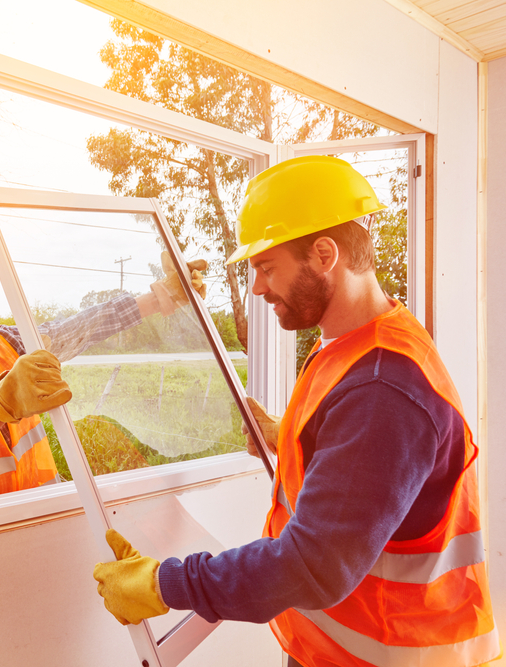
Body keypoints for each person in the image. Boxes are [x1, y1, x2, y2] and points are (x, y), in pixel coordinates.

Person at [93, 156, 500, 667]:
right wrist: (289, 436)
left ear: (325, 254)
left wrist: (165, 583)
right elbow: (367, 466)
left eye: (266, 267)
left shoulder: (383, 388)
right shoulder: (354, 343)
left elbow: (314, 565)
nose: (257, 288)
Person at [0, 252, 206, 509]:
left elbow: (79, 328)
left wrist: (159, 299)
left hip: (42, 512)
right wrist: (0, 405)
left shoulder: (5, 343)